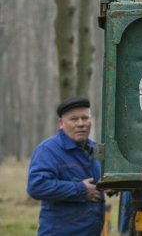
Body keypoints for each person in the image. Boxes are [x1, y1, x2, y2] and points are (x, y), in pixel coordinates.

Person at [27, 96, 105, 235]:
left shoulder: (95, 149)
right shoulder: (48, 150)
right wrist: (80, 190)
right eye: (74, 119)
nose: (81, 124)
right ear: (61, 123)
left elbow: (98, 183)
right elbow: (36, 186)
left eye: (85, 118)